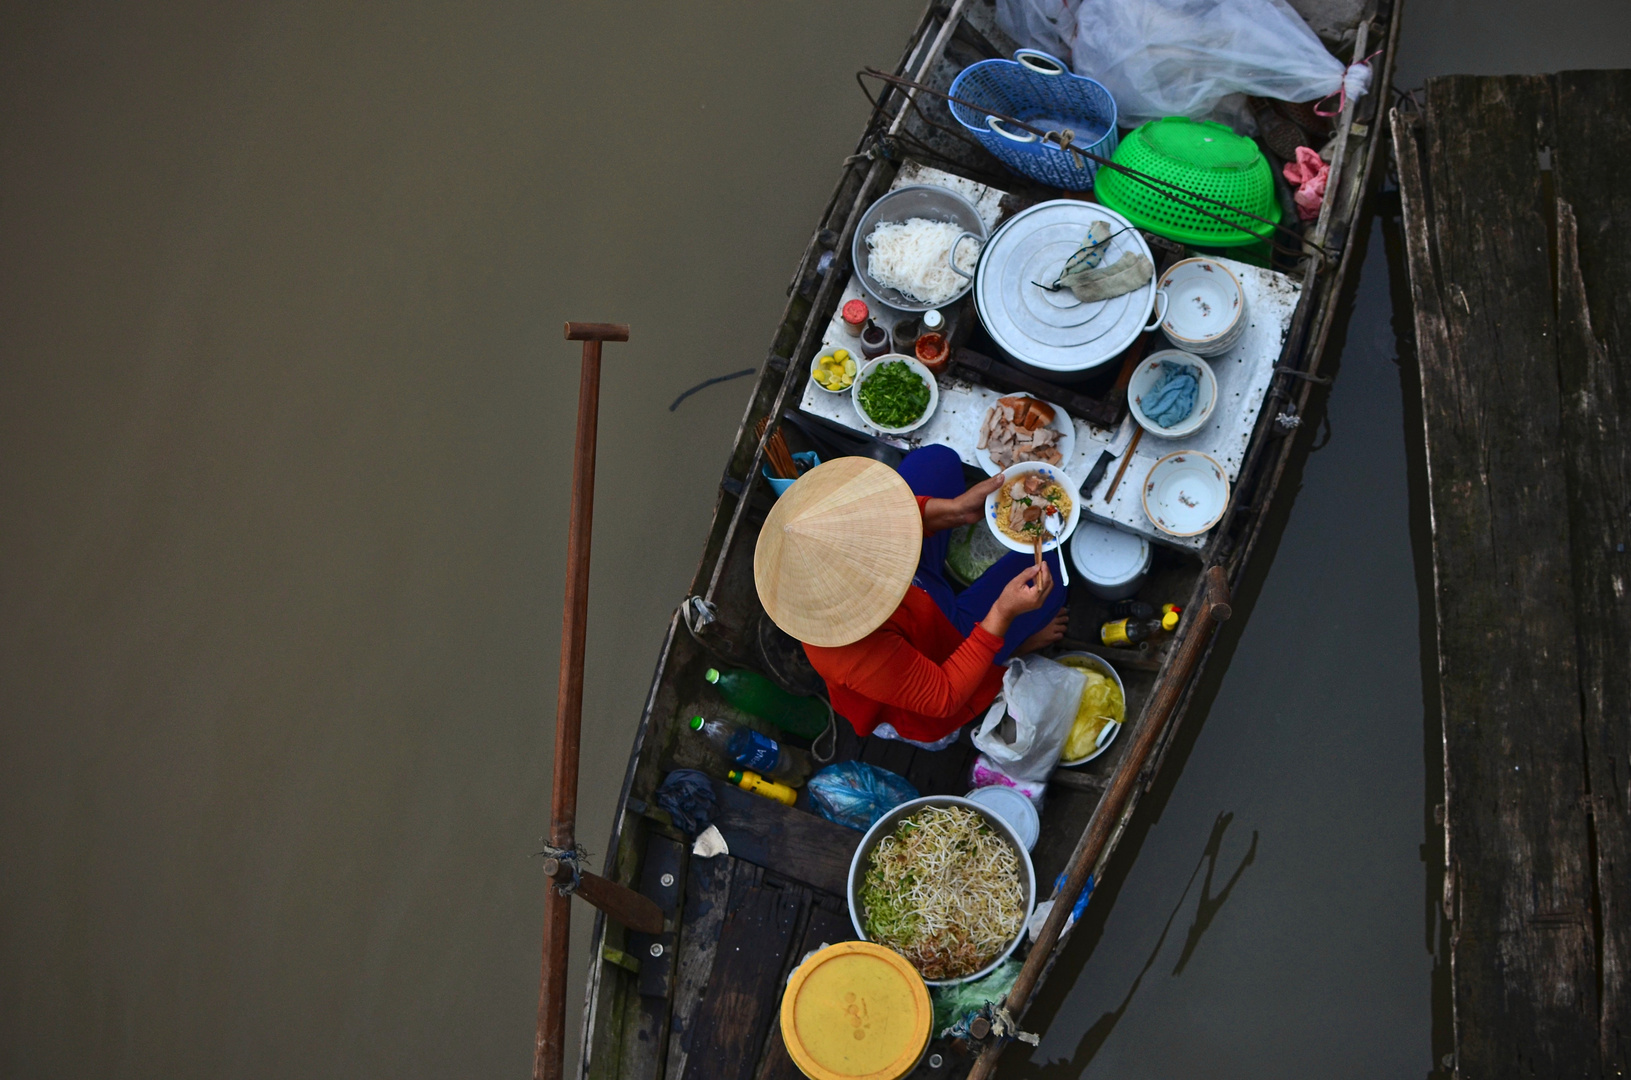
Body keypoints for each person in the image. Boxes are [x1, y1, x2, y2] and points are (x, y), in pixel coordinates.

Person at [753, 446, 1068, 747]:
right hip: (938, 649)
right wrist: (1002, 613)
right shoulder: (847, 651)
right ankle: (1010, 649)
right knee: (1049, 565)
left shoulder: (831, 524)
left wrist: (955, 511)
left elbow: (888, 517)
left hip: (920, 587)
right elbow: (943, 696)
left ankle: (1006, 634)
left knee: (936, 462)